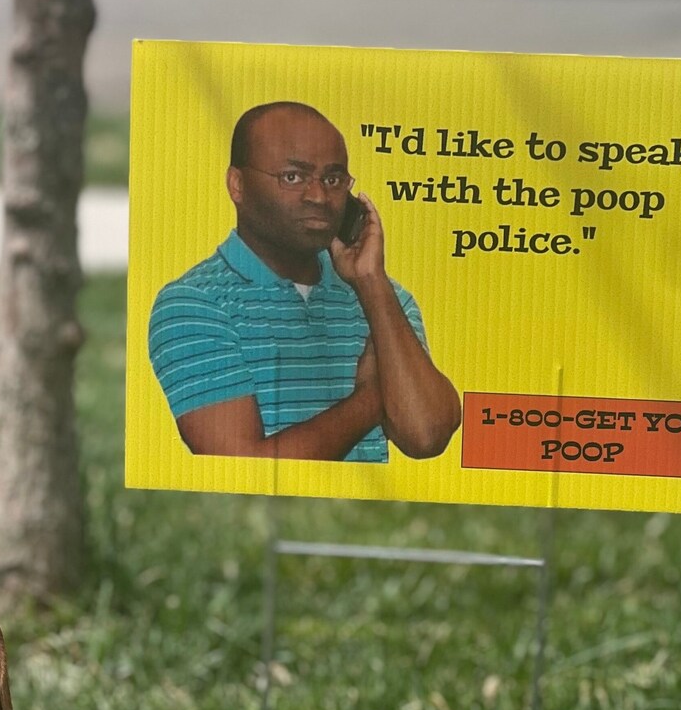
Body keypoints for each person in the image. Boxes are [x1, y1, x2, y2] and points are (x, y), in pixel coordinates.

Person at [148, 101, 461, 463]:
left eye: (332, 179)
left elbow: (426, 437)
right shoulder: (194, 305)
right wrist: (372, 398)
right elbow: (241, 470)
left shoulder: (386, 300)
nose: (318, 196)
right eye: (293, 177)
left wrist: (372, 284)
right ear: (237, 184)